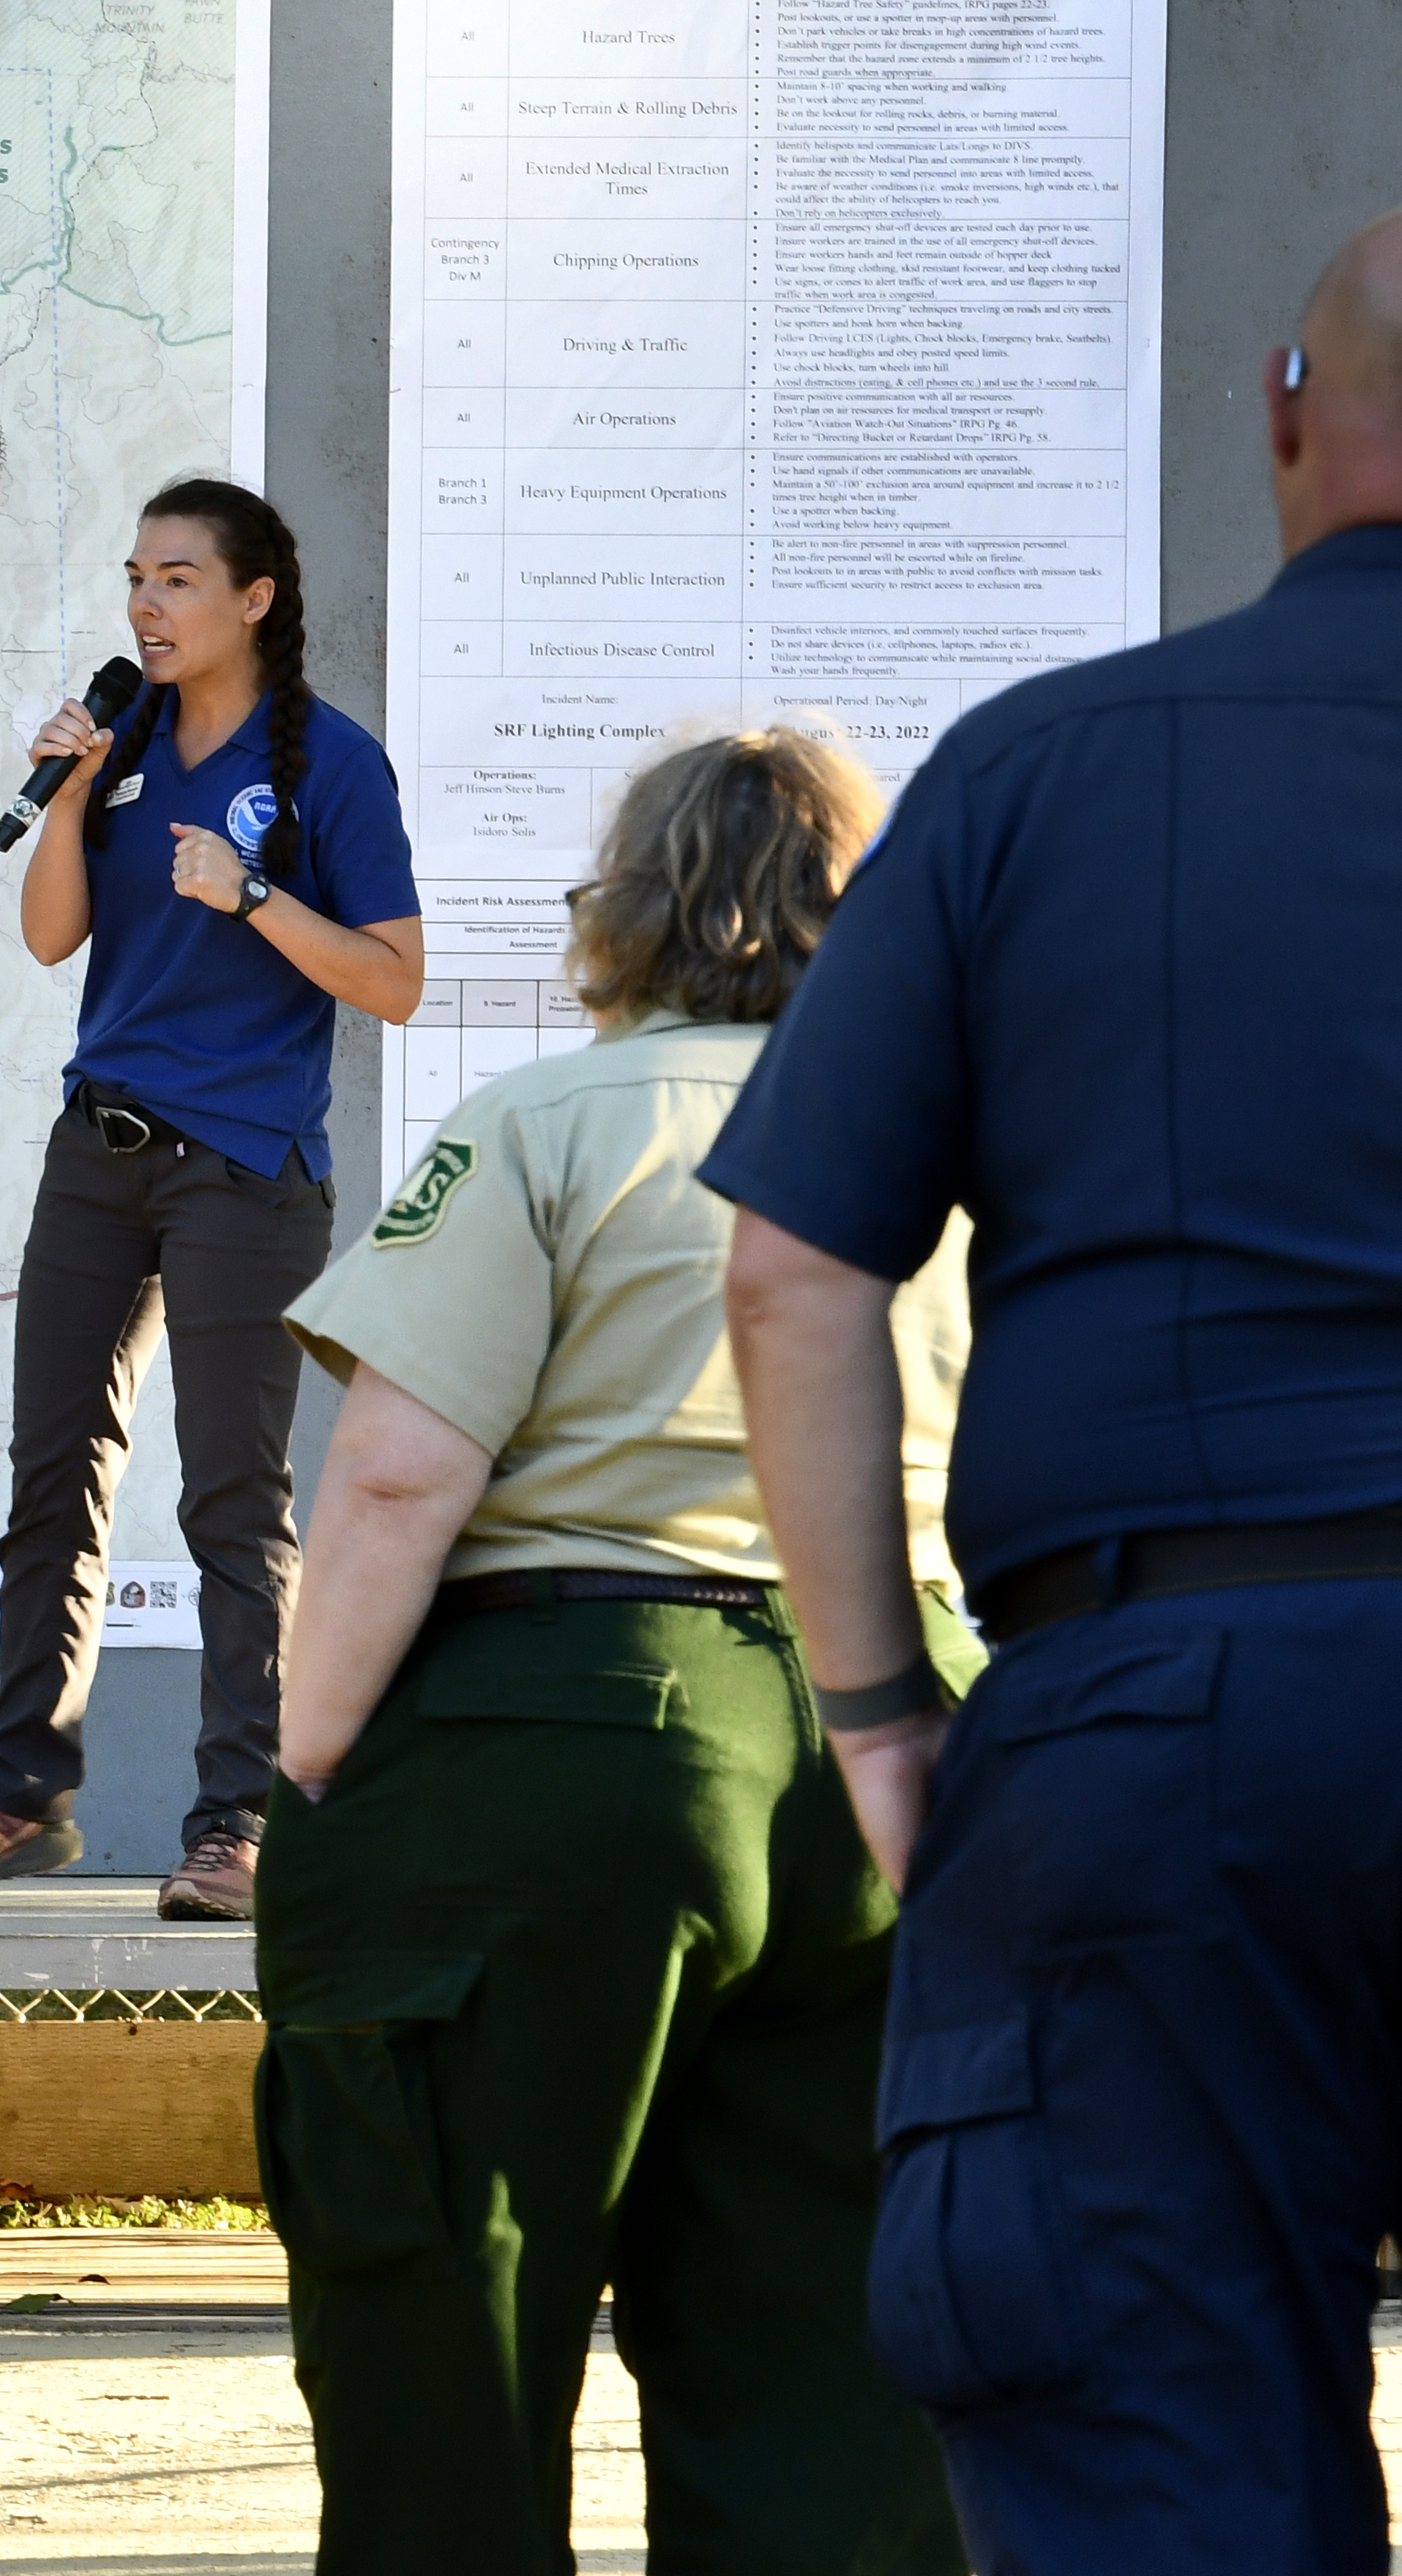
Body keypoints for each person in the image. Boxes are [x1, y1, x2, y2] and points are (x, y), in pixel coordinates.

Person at [708, 211, 1402, 2571]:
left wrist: (884, 1712)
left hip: (1152, 1723)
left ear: (1283, 409)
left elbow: (795, 1277)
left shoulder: (1035, 775)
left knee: (1158, 2475)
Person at [256, 729, 971, 2572]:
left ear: (627, 909)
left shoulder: (544, 1125)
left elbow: (401, 1478)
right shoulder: (952, 1147)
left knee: (453, 2309)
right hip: (890, 1754)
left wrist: (314, 1761)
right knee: (829, 2338)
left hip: (564, 1731)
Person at [0, 477, 423, 1916]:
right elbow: (54, 939)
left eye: (177, 578)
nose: (145, 604)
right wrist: (65, 796)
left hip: (245, 1168)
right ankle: (16, 1793)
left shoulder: (332, 766)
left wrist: (250, 895)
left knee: (235, 1503)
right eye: (135, 577)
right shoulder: (116, 745)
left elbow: (395, 981)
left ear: (254, 599)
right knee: (50, 1481)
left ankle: (237, 1821)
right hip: (97, 1158)